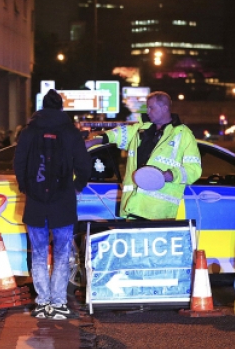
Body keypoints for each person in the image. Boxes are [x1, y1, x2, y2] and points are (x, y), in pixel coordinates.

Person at [14, 89, 91, 319]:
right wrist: (76, 186)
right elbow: (84, 164)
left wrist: (25, 187)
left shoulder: (29, 131)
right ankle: (58, 303)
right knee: (61, 253)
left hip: (36, 204)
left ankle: (42, 303)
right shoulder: (70, 132)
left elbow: (19, 163)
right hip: (63, 202)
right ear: (60, 107)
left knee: (38, 254)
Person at [84, 91, 201, 220]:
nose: (148, 111)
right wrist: (94, 141)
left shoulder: (183, 134)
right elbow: (117, 135)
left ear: (165, 108)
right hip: (133, 206)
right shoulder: (141, 129)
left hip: (158, 211)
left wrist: (173, 175)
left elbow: (194, 169)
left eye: (151, 107)